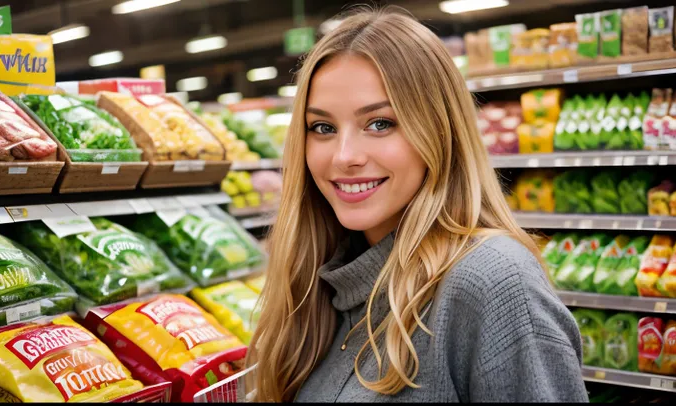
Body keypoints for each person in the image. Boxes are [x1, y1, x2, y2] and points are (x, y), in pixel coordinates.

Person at [246, 6, 589, 403]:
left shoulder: (491, 282)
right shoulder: (319, 288)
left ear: (439, 131)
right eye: (322, 128)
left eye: (380, 123)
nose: (343, 156)